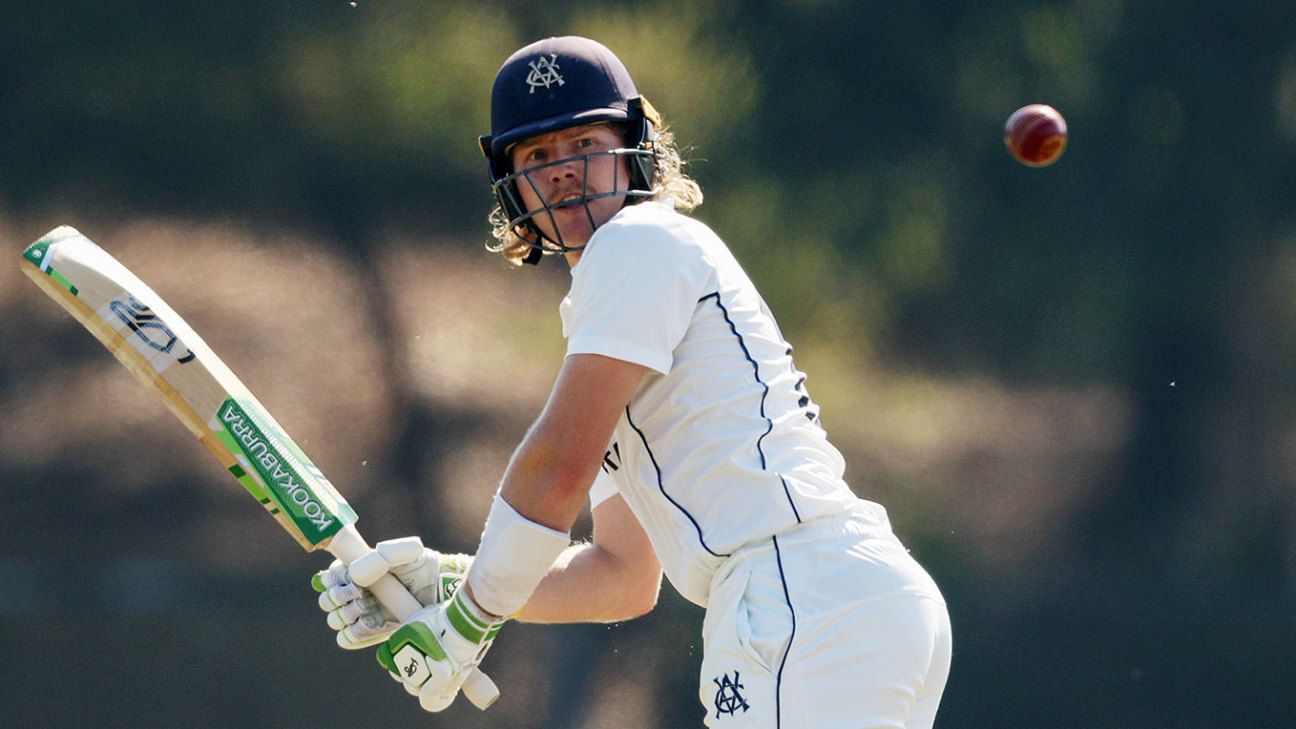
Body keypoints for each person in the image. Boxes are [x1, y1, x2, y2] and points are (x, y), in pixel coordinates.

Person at [312, 35, 951, 728]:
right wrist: (449, 578)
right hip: (843, 598)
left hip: (799, 595)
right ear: (513, 186)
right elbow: (622, 573)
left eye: (582, 142)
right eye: (536, 156)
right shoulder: (619, 302)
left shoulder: (636, 245)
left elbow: (558, 467)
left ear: (635, 147)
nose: (562, 170)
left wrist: (470, 617)